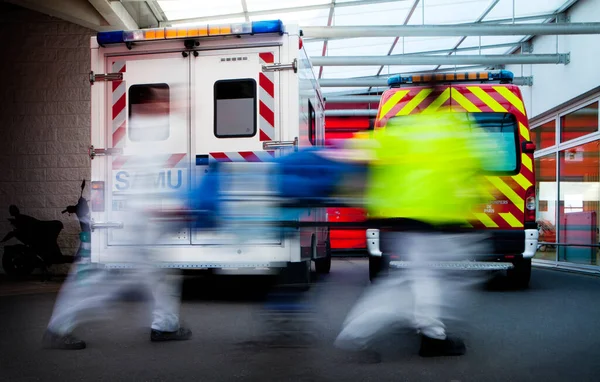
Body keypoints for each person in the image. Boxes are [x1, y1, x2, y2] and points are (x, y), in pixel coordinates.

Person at [334, 110, 493, 360]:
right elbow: (473, 171)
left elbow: (358, 151)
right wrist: (478, 202)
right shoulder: (455, 129)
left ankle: (429, 334)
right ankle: (366, 335)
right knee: (432, 282)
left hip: (406, 221)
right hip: (438, 223)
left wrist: (365, 200)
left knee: (421, 282)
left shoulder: (404, 130)